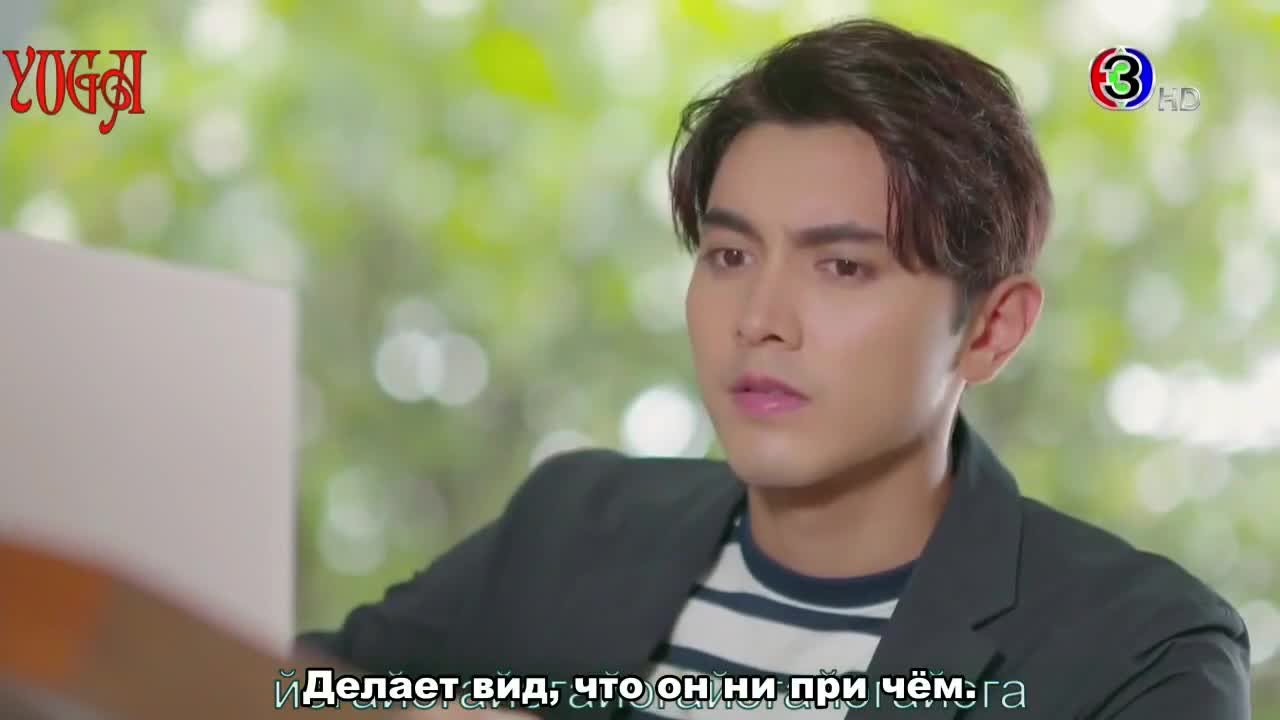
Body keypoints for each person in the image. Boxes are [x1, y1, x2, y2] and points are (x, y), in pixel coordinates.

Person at [296, 17, 1250, 719]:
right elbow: (294, 684)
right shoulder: (572, 521)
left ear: (992, 330)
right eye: (728, 255)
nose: (758, 320)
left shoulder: (1141, 652)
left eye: (843, 268)